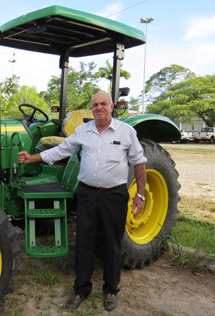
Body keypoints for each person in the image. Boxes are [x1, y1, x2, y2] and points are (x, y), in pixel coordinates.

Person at [18, 91, 147, 312]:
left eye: (103, 104)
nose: (99, 107)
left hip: (114, 195)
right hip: (87, 194)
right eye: (95, 104)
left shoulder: (127, 132)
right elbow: (61, 150)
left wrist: (140, 195)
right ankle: (81, 289)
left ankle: (110, 290)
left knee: (112, 243)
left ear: (111, 106)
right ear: (92, 108)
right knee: (84, 242)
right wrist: (34, 158)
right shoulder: (83, 131)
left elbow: (139, 163)